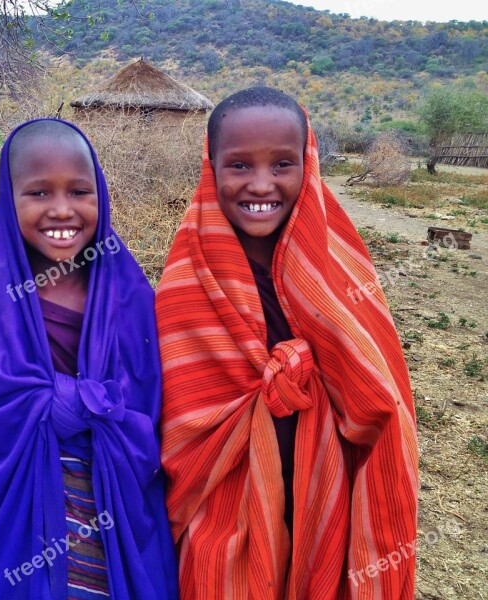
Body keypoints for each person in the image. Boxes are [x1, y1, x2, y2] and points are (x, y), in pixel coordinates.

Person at [155, 87, 418, 599]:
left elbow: (380, 402)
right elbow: (179, 419)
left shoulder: (337, 273)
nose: (260, 184)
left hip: (324, 498)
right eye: (239, 165)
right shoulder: (187, 282)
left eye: (281, 164)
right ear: (211, 169)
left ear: (308, 164)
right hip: (220, 509)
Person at [0, 118, 178, 600]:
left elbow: (149, 407)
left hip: (110, 499)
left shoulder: (131, 295)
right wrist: (65, 404)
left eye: (80, 191)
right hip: (18, 514)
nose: (62, 210)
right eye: (38, 193)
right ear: (8, 199)